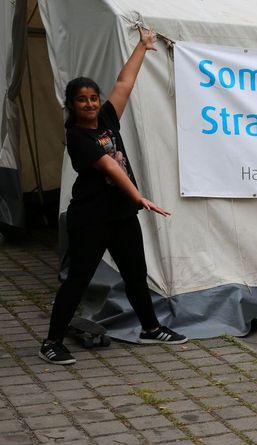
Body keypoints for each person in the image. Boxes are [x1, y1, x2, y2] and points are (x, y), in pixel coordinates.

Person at [40, 26, 187, 366]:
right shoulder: (77, 136)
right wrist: (139, 197)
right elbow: (110, 166)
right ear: (71, 104)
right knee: (78, 279)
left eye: (93, 97)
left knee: (135, 273)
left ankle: (151, 328)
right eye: (82, 99)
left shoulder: (106, 118)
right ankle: (51, 342)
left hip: (120, 215)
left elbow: (124, 83)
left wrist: (143, 46)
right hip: (90, 218)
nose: (90, 104)